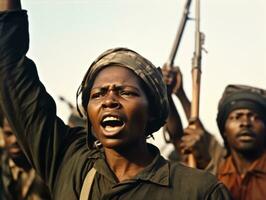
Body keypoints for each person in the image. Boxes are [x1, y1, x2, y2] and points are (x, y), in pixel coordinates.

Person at [0, 1, 232, 199]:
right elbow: (9, 66)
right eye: (98, 94)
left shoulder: (199, 190)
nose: (109, 101)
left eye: (126, 92)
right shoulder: (68, 161)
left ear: (152, 110)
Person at [163, 66, 266, 199]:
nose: (245, 123)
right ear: (224, 130)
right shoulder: (219, 165)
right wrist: (169, 94)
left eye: (255, 117)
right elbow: (185, 136)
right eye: (236, 117)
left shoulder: (212, 163)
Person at [0, 114, 52, 199]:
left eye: (19, 134)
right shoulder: (2, 167)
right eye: (9, 134)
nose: (14, 140)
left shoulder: (46, 168)